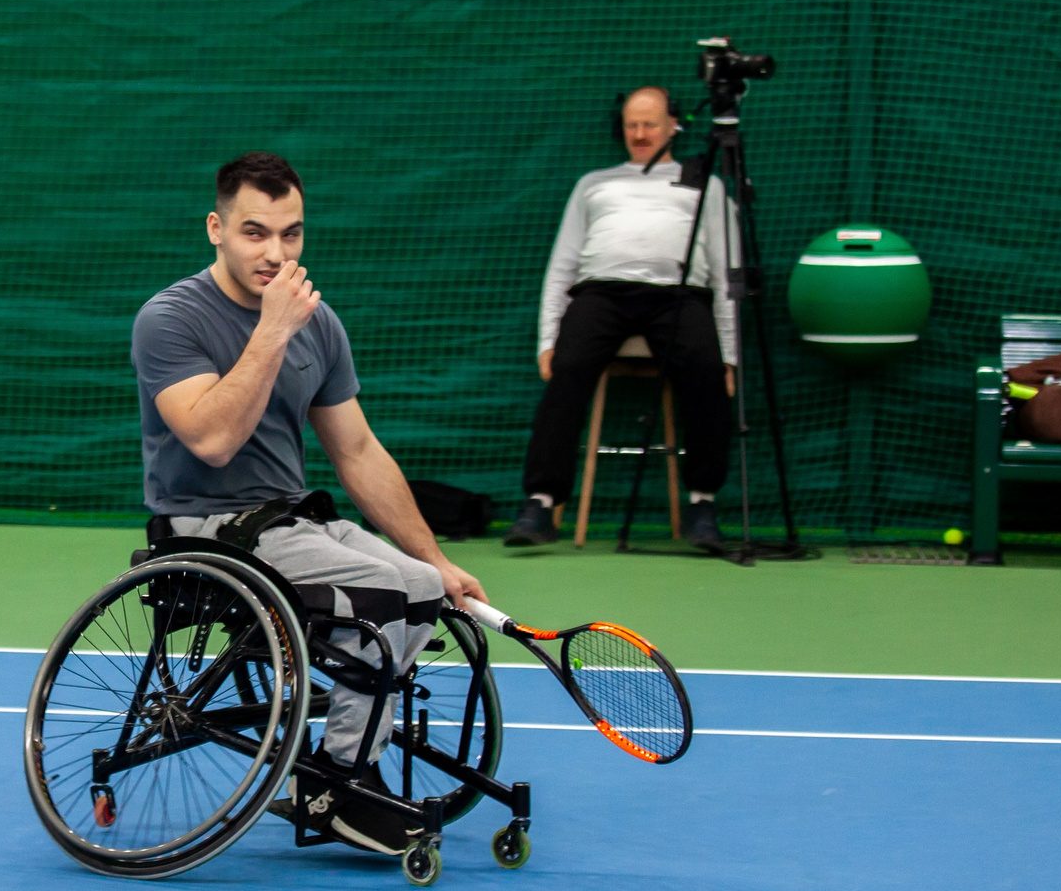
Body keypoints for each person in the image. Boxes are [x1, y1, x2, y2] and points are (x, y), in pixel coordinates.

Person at [132, 152, 489, 820]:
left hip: (290, 523)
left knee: (417, 585)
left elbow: (356, 451)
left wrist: (436, 558)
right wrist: (270, 331)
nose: (275, 250)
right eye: (255, 231)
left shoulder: (317, 323)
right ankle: (338, 785)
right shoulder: (170, 318)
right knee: (383, 596)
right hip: (206, 530)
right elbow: (211, 439)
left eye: (290, 233)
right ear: (216, 227)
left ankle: (343, 762)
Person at [506, 86, 738, 552]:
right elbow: (563, 264)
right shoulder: (595, 183)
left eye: (649, 124)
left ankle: (702, 505)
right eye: (632, 124)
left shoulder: (704, 182)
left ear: (674, 125)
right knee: (567, 371)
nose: (639, 133)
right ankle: (540, 504)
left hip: (680, 297)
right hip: (601, 295)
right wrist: (547, 339)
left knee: (707, 373)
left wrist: (730, 355)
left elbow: (726, 269)